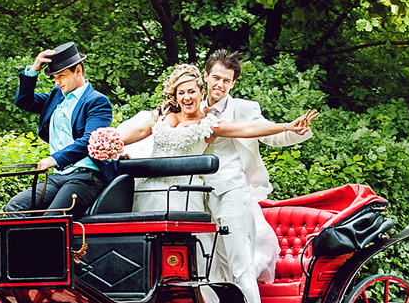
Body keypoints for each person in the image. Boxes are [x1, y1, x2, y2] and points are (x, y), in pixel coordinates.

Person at [201, 49, 317, 303]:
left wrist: (295, 130)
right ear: (206, 76)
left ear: (233, 82)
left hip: (235, 193)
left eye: (226, 81)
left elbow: (269, 134)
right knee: (208, 270)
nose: (220, 85)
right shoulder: (192, 106)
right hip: (199, 198)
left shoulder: (244, 109)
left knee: (241, 268)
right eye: (215, 78)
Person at [118, 64, 314, 215]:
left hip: (181, 191)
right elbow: (142, 130)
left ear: (201, 93)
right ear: (176, 96)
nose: (187, 97)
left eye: (191, 91)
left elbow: (248, 129)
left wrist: (287, 126)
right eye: (181, 92)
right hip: (148, 190)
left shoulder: (208, 124)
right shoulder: (165, 115)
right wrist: (115, 142)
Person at [6, 42, 116, 214]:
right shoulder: (56, 96)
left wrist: (54, 159)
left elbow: (89, 140)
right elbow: (23, 101)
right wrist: (33, 69)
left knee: (52, 218)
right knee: (14, 207)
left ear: (78, 71)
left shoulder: (97, 101)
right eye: (54, 78)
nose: (57, 83)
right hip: (58, 176)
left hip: (86, 176)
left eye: (61, 76)